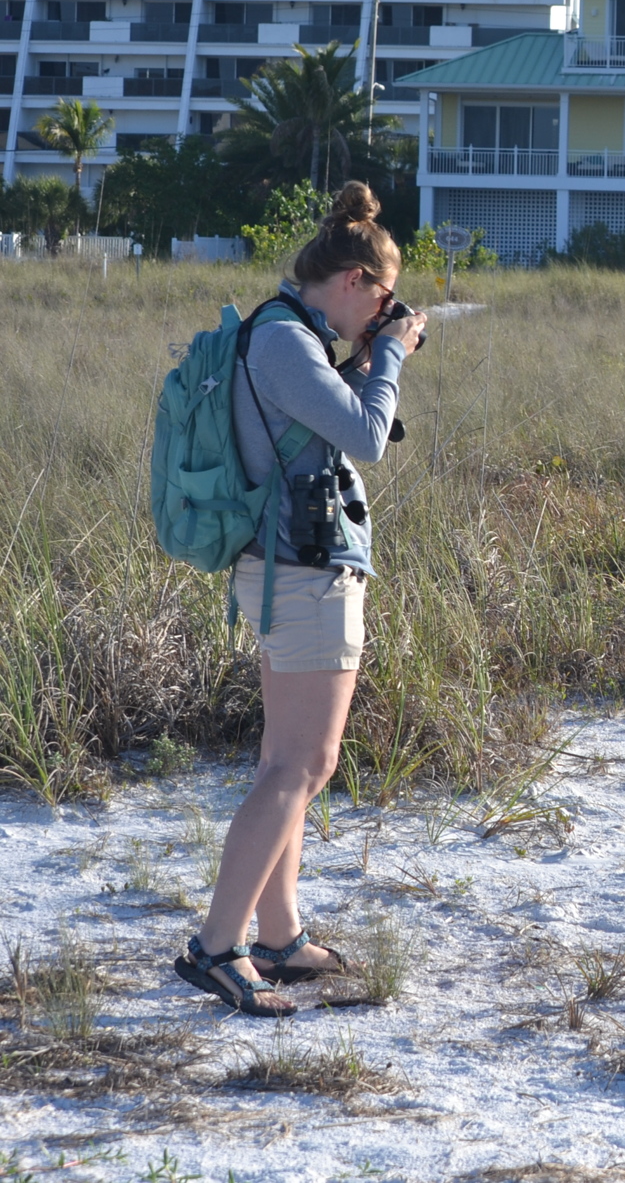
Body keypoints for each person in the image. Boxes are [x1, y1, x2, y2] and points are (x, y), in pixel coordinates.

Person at [173, 181, 427, 1017]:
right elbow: (364, 436)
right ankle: (218, 946)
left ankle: (278, 934)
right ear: (355, 279)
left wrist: (370, 352)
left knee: (287, 762)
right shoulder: (285, 342)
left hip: (290, 569)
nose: (384, 311)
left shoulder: (288, 336)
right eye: (383, 297)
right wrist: (389, 355)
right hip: (304, 574)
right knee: (301, 765)